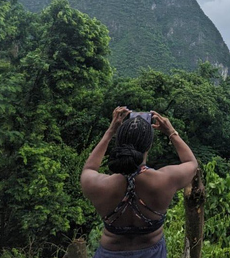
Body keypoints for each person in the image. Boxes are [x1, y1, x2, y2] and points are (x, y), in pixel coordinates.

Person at [81, 107, 198, 258]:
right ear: (149, 146)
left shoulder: (100, 185)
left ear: (119, 142)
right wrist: (171, 132)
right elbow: (191, 163)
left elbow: (88, 169)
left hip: (109, 252)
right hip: (153, 252)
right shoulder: (164, 180)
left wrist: (110, 131)